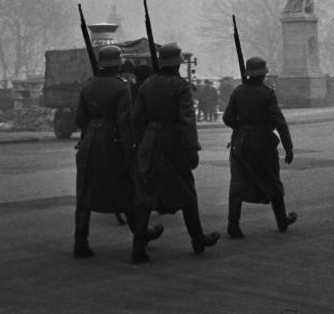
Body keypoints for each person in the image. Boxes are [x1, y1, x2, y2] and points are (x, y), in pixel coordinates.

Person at [131, 43, 220, 263]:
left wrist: (141, 143)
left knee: (146, 197)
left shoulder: (147, 85)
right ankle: (197, 239)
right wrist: (192, 149)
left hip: (149, 145)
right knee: (188, 194)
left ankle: (138, 247)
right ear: (178, 63)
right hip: (172, 146)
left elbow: (136, 119)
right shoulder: (181, 87)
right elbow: (187, 121)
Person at [74, 44, 163, 259]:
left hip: (89, 142)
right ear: (118, 64)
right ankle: (140, 236)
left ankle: (80, 243)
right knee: (129, 189)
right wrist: (130, 148)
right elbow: (124, 121)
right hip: (111, 140)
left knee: (85, 193)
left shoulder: (87, 87)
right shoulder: (121, 87)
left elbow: (80, 120)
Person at [222, 56, 297, 237]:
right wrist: (289, 147)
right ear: (263, 75)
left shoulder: (238, 92)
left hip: (241, 142)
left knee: (238, 183)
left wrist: (241, 126)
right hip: (263, 142)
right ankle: (281, 220)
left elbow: (227, 118)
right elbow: (279, 122)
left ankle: (233, 225)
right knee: (272, 180)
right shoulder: (267, 93)